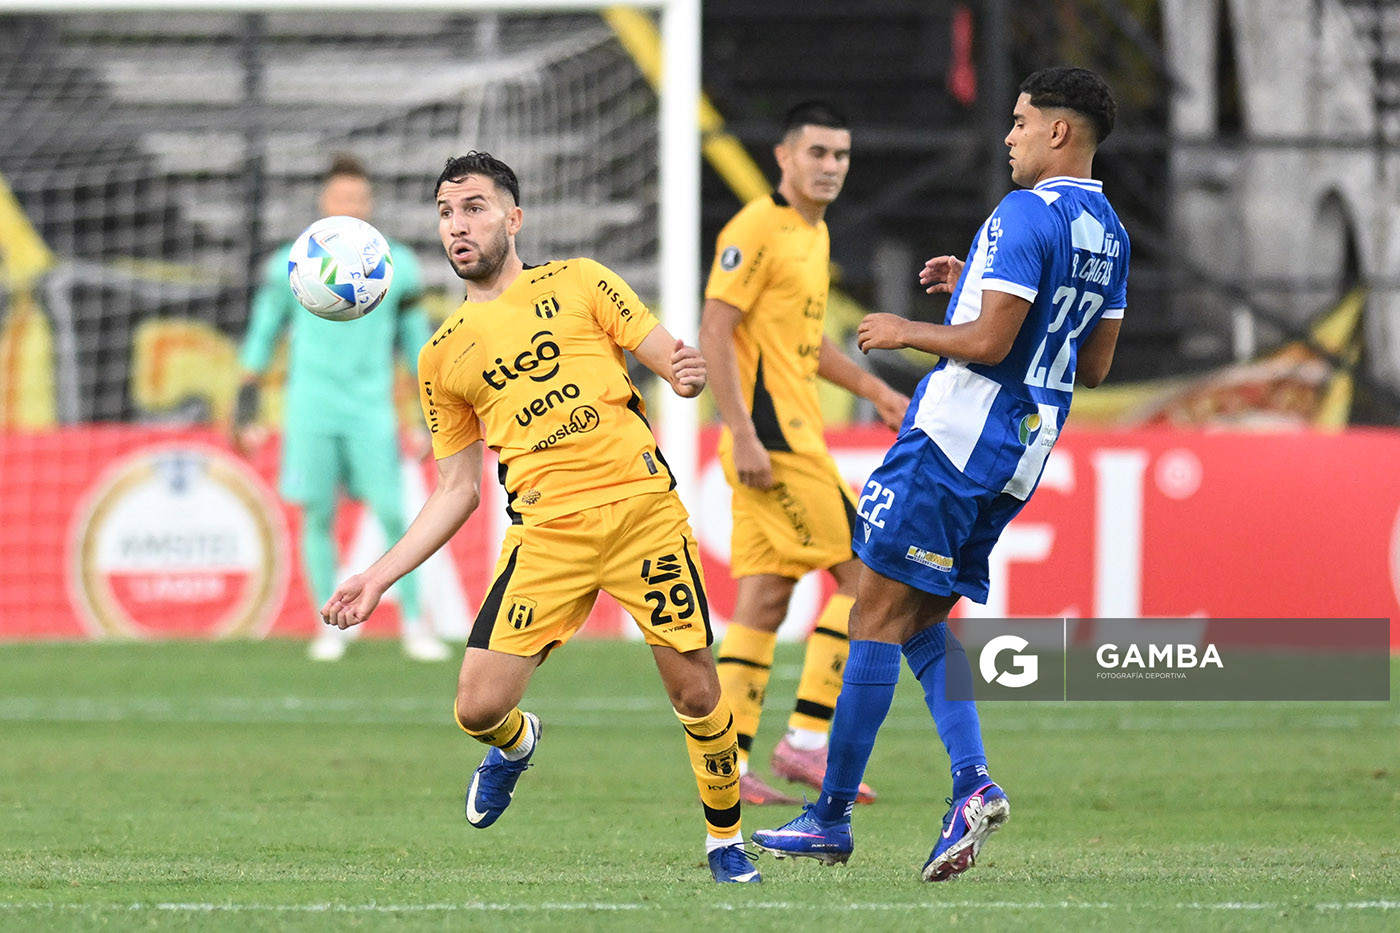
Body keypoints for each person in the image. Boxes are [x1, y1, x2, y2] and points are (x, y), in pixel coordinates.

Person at [320, 151, 760, 883]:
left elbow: (665, 355)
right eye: (445, 213)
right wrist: (376, 576)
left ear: (513, 218)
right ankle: (517, 744)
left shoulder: (581, 281)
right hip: (547, 537)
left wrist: (683, 374)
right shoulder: (441, 356)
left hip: (642, 515)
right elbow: (456, 489)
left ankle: (725, 842)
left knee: (696, 691)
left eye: (473, 208)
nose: (457, 225)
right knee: (475, 708)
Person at [753, 66, 1127, 880]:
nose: (1009, 136)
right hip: (1022, 453)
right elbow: (1092, 363)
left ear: (1059, 131)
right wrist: (978, 290)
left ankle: (830, 817)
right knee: (921, 620)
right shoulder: (1111, 233)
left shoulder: (1024, 211)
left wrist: (909, 329)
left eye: (1021, 121)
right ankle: (971, 782)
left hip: (955, 439)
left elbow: (990, 344)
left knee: (872, 613)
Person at [700, 101, 909, 807]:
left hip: (788, 435)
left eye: (840, 155)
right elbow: (715, 329)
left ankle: (727, 765)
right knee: (868, 578)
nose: (830, 166)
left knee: (763, 603)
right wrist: (742, 431)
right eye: (817, 152)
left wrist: (873, 389)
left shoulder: (813, 236)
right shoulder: (756, 228)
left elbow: (804, 342)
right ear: (784, 157)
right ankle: (808, 740)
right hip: (774, 441)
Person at [235, 154, 449, 663]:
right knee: (318, 515)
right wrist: (245, 407)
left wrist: (428, 418)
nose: (349, 205)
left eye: (358, 198)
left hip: (371, 409)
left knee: (396, 513)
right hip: (310, 406)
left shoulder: (397, 267)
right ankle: (328, 626)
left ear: (369, 204)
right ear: (324, 202)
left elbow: (417, 347)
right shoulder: (292, 263)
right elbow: (263, 332)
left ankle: (415, 624)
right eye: (341, 197)